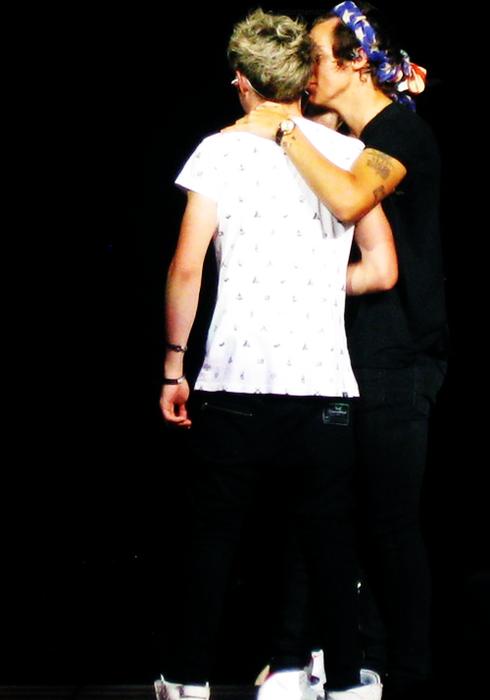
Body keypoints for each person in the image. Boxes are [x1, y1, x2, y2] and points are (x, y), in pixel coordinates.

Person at [154, 8, 397, 700]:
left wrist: (173, 366)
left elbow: (186, 268)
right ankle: (346, 684)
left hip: (234, 383)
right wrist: (312, 280)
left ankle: (188, 683)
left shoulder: (219, 151)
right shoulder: (348, 155)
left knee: (213, 542)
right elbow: (382, 269)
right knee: (331, 546)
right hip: (322, 386)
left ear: (243, 81)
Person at [224, 3, 448, 700]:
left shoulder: (398, 132)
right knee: (326, 510)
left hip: (398, 354)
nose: (305, 70)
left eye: (317, 56)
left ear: (356, 63)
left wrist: (281, 125)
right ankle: (323, 659)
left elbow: (351, 199)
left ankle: (406, 674)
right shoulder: (353, 131)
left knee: (389, 523)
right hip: (351, 350)